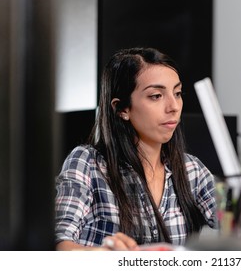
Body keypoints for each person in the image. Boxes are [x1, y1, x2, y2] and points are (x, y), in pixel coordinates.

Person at [55, 47, 218, 251]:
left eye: (177, 93)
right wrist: (103, 255)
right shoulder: (88, 163)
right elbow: (60, 244)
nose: (174, 106)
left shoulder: (191, 169)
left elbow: (236, 222)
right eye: (156, 96)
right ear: (122, 109)